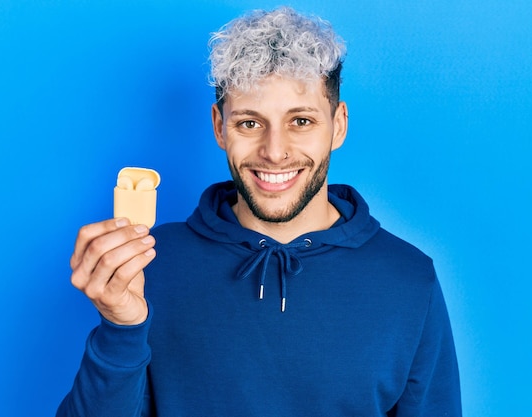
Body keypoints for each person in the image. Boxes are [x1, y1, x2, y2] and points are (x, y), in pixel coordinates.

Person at [57, 6, 461, 417]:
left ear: (338, 125)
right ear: (219, 127)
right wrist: (121, 325)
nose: (274, 151)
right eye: (250, 123)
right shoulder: (148, 264)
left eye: (301, 121)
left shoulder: (409, 279)